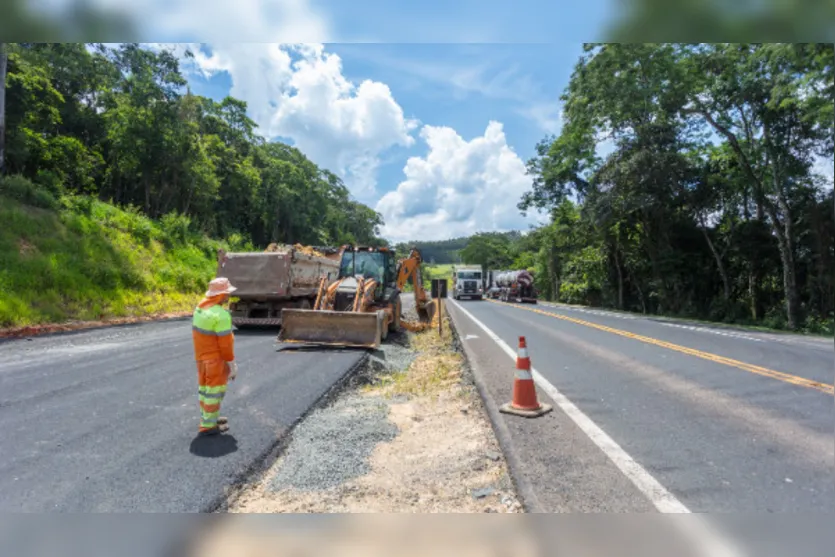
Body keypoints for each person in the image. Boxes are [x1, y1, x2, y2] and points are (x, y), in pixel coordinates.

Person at [192, 277, 239, 436]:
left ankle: (209, 418)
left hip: (201, 358)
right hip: (215, 361)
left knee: (205, 390)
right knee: (215, 393)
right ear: (221, 295)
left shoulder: (199, 308)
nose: (228, 297)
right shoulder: (221, 315)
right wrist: (232, 364)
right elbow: (225, 345)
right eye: (227, 294)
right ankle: (208, 426)